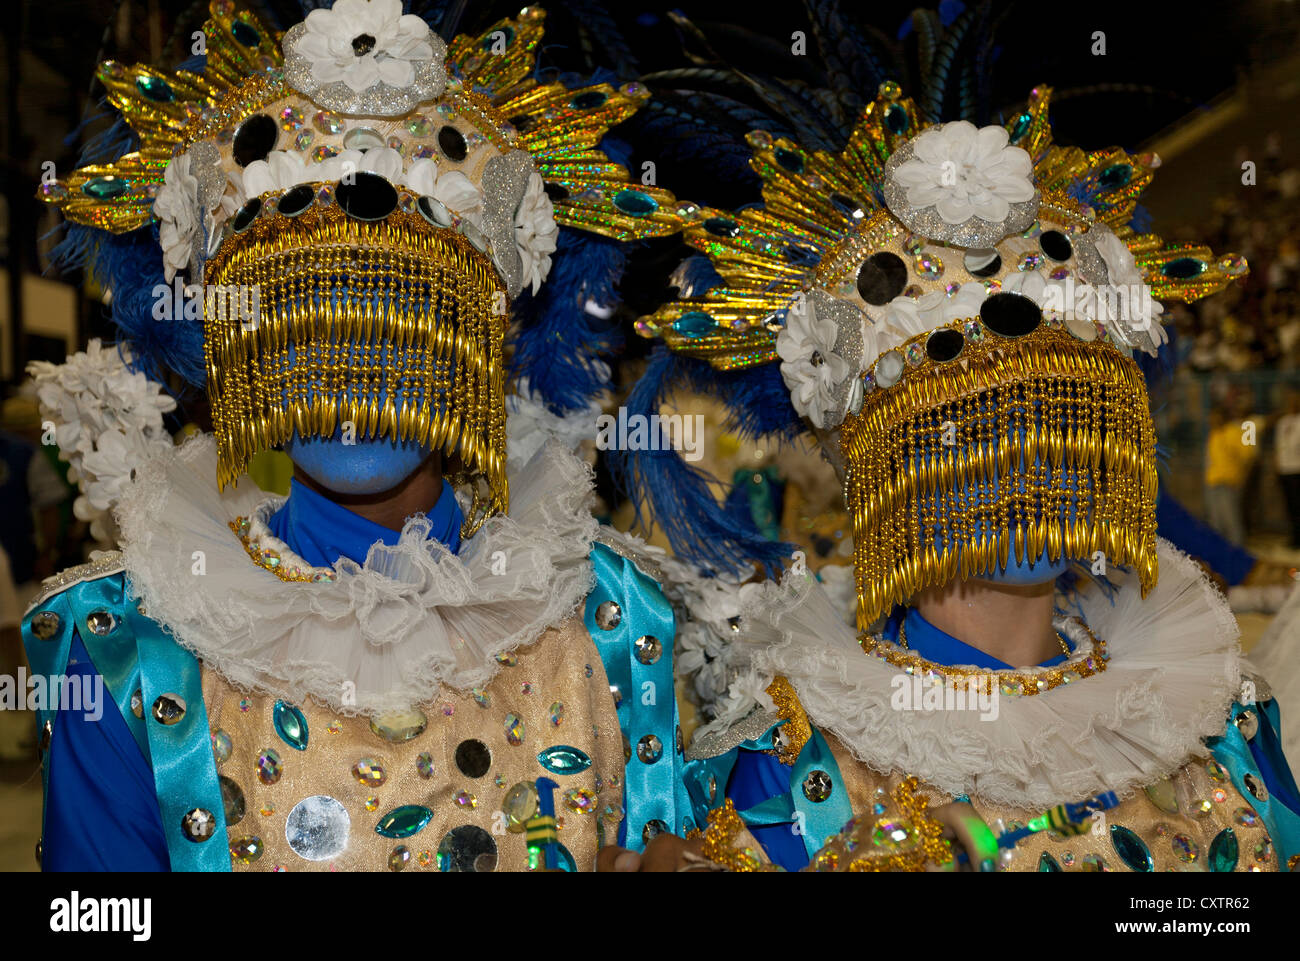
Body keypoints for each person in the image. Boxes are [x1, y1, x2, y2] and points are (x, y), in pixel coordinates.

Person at [26, 0, 697, 872]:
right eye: (302, 324)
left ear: (472, 340)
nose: (350, 375)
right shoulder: (134, 647)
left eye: (399, 318)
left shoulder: (608, 617)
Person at [621, 81, 1300, 871]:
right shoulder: (808, 756)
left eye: (1061, 421)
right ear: (881, 466)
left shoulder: (1214, 717)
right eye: (972, 434)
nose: (1029, 469)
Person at [1205, 404, 1259, 545]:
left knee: (1231, 522)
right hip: (1213, 483)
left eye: (1214, 416)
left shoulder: (1234, 432)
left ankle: (1237, 552)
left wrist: (1239, 474)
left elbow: (1248, 455)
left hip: (1228, 483)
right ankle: (1221, 553)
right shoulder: (1214, 434)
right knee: (1216, 522)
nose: (1211, 419)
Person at [1276, 389, 1300, 548]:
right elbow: (1279, 446)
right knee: (1290, 506)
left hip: (1297, 468)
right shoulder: (1283, 422)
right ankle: (1295, 536)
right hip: (1284, 469)